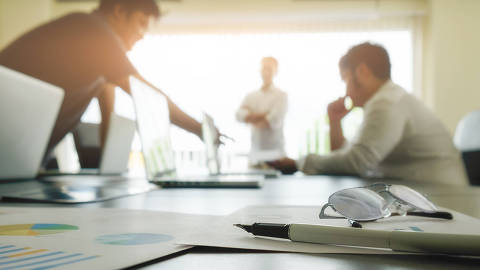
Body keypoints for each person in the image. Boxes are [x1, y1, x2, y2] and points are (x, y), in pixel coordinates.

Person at [0, 0, 209, 166]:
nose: (142, 34)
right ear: (119, 11)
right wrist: (201, 129)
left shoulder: (99, 61)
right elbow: (144, 93)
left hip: (17, 158)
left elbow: (108, 111)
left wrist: (108, 166)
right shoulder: (91, 28)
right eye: (141, 22)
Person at [269, 42, 468, 186]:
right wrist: (335, 122)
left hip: (444, 200)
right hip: (427, 193)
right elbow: (349, 155)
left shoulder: (387, 103)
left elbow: (357, 162)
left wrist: (298, 162)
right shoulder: (386, 100)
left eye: (345, 78)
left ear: (362, 71)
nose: (345, 91)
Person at [235, 57, 288, 164]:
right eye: (264, 68)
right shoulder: (251, 96)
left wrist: (250, 116)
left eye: (270, 69)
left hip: (276, 157)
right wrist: (265, 114)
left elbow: (272, 121)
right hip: (255, 156)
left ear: (276, 71)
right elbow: (238, 116)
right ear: (259, 70)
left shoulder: (281, 96)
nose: (266, 72)